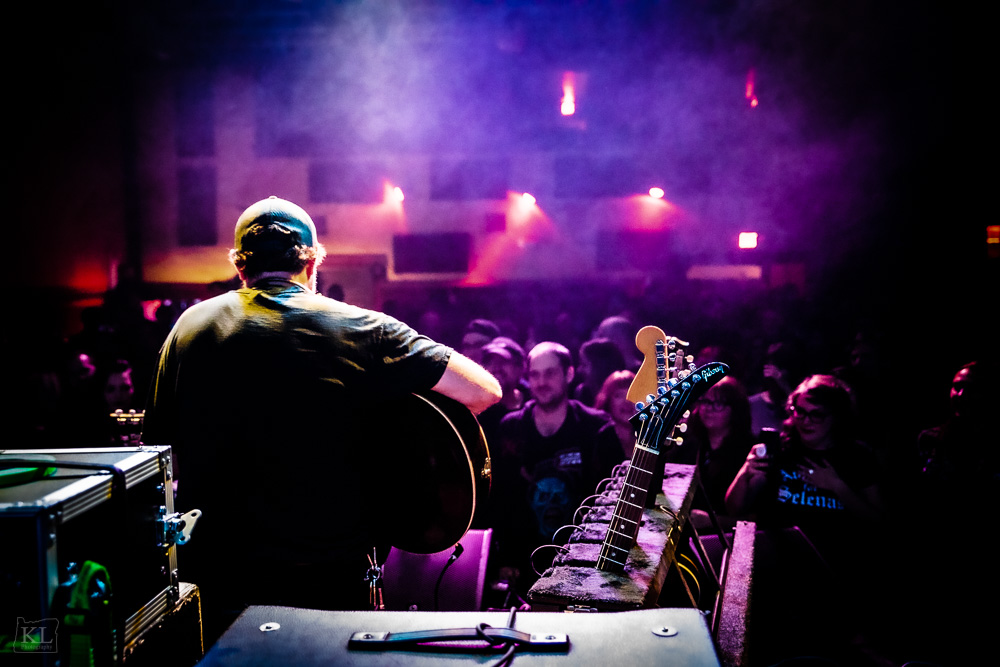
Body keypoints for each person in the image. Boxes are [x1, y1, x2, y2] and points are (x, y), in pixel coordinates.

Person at [142, 196, 500, 641]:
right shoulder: (365, 328)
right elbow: (484, 391)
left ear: (241, 266)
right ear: (312, 264)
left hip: (221, 583)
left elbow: (157, 459)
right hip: (331, 585)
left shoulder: (188, 328)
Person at [492, 341, 621, 585]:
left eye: (550, 373)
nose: (541, 383)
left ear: (569, 374)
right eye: (535, 375)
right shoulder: (511, 428)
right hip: (523, 563)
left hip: (585, 563)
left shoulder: (596, 427)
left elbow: (612, 500)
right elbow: (501, 499)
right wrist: (505, 557)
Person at [667, 375, 754, 519]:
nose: (708, 409)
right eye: (705, 401)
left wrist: (713, 521)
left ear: (735, 409)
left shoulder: (748, 452)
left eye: (718, 403)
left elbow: (755, 516)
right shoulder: (686, 447)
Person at [593, 369, 637, 459]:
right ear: (607, 401)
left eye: (632, 394)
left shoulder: (650, 437)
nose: (627, 401)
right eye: (619, 395)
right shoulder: (598, 440)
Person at [572, 337, 626, 406]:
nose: (579, 370)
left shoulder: (627, 392)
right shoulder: (583, 393)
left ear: (599, 367)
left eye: (584, 365)